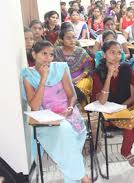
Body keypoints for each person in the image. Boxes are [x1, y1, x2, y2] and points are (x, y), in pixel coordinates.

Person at [21, 40, 91, 183]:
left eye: (51, 55)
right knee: (65, 132)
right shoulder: (28, 75)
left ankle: (75, 178)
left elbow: (71, 96)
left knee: (68, 142)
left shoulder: (60, 68)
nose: (48, 58)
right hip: (47, 120)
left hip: (68, 113)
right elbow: (34, 106)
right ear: (34, 54)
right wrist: (43, 79)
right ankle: (82, 177)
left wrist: (70, 109)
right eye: (44, 54)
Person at [90, 40, 134, 176]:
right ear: (104, 55)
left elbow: (133, 97)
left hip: (128, 108)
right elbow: (103, 102)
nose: (116, 56)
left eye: (119, 53)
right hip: (109, 113)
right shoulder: (97, 73)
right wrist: (109, 76)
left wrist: (123, 109)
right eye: (112, 53)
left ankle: (132, 154)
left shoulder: (126, 69)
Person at [53, 28, 93, 106]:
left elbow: (88, 68)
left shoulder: (81, 51)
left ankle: (80, 105)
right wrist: (64, 80)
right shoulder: (56, 52)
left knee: (78, 89)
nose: (72, 40)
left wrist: (77, 78)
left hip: (81, 79)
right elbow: (53, 68)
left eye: (74, 37)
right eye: (68, 38)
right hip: (60, 80)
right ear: (62, 39)